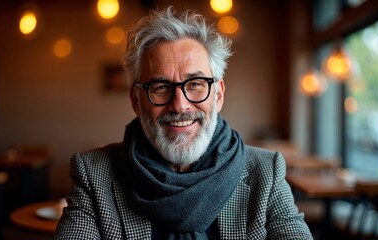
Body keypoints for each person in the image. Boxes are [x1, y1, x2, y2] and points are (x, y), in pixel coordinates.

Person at [55, 7, 313, 240]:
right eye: (160, 87)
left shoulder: (266, 172)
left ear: (218, 95)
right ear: (136, 100)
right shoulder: (93, 173)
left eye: (196, 84)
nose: (180, 105)